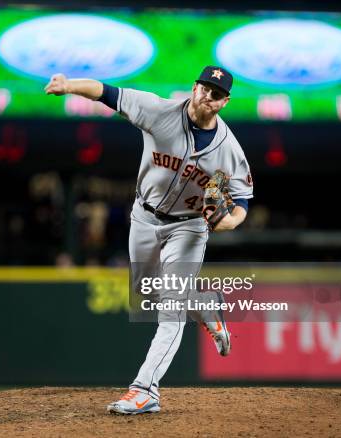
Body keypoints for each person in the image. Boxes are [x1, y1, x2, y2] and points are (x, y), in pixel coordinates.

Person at [45, 66, 253, 414]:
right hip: (144, 216)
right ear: (194, 87)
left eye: (215, 94)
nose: (206, 95)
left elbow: (242, 199)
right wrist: (69, 86)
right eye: (203, 87)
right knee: (146, 294)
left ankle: (145, 389)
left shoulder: (228, 149)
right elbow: (107, 93)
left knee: (169, 311)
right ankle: (203, 305)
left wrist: (228, 222)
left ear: (223, 102)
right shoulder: (159, 111)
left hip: (189, 227)